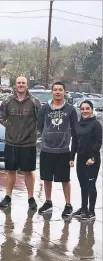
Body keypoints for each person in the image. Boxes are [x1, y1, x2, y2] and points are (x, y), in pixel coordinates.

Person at [0, 76, 41, 209]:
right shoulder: (7, 101)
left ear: (27, 85)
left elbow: (40, 120)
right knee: (11, 171)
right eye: (18, 83)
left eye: (23, 83)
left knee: (28, 171)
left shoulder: (34, 102)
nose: (21, 85)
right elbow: (0, 117)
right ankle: (8, 196)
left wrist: (34, 133)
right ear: (15, 85)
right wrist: (10, 127)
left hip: (28, 143)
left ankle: (31, 198)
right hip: (11, 142)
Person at [37, 81, 78, 217]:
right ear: (52, 92)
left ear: (64, 92)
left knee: (65, 179)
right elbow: (40, 126)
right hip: (46, 149)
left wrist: (71, 150)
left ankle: (68, 204)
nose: (58, 92)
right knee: (47, 178)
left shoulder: (71, 109)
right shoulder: (44, 109)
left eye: (61, 90)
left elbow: (75, 129)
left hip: (63, 150)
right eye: (55, 90)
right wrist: (48, 136)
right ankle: (48, 202)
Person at [70, 100, 102, 220]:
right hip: (81, 159)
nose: (84, 111)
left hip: (92, 160)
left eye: (87, 108)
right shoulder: (77, 125)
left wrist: (92, 158)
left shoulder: (96, 124)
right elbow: (74, 142)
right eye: (82, 109)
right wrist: (72, 157)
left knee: (90, 184)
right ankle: (83, 208)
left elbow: (99, 142)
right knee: (83, 184)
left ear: (92, 110)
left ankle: (91, 211)